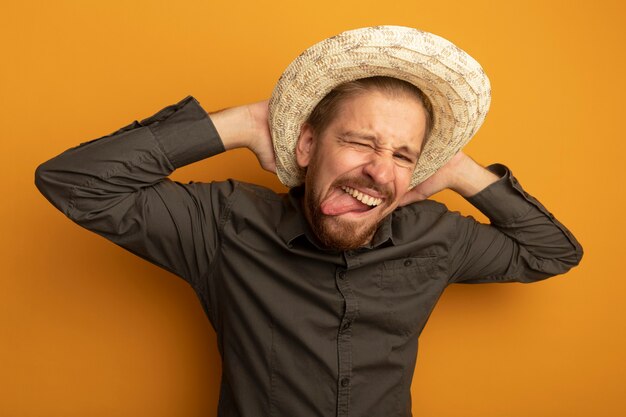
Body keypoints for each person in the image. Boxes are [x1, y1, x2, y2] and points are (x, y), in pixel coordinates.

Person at [35, 26, 583, 417]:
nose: (378, 170)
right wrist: (246, 122)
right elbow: (75, 183)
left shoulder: (437, 237)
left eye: (401, 155)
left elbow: (551, 253)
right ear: (306, 145)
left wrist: (460, 171)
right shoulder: (223, 224)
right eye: (360, 142)